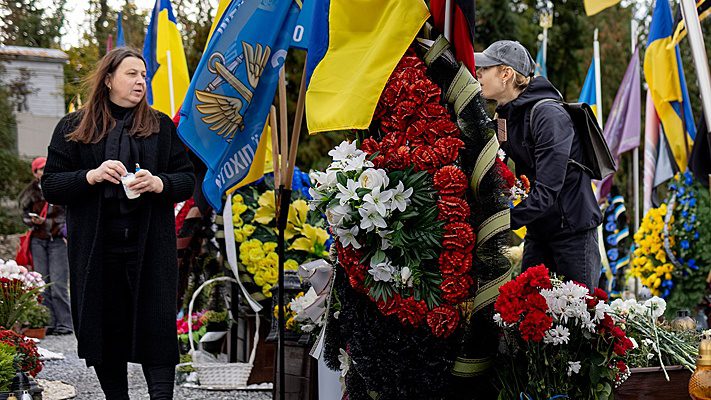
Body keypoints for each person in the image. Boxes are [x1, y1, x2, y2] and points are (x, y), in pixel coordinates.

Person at [41, 47, 195, 399]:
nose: (140, 81)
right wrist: (91, 176)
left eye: (143, 75)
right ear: (108, 79)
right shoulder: (73, 127)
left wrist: (160, 183)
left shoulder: (159, 126)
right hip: (97, 252)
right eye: (132, 74)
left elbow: (186, 179)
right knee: (104, 330)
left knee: (157, 328)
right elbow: (51, 184)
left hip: (150, 250)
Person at [474, 40, 602, 288]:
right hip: (539, 229)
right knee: (526, 311)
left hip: (572, 232)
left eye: (485, 68)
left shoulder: (548, 115)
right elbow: (496, 158)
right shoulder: (503, 115)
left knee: (580, 321)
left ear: (506, 74)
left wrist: (498, 223)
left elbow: (547, 191)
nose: (478, 73)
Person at [18, 156, 73, 335]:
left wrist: (52, 224)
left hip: (57, 240)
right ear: (35, 172)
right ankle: (48, 322)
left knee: (58, 283)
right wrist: (32, 220)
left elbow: (68, 213)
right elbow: (24, 213)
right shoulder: (30, 191)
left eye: (45, 168)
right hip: (38, 240)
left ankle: (65, 323)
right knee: (43, 283)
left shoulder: (58, 187)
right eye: (40, 169)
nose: (43, 172)